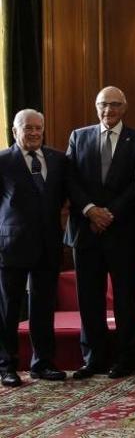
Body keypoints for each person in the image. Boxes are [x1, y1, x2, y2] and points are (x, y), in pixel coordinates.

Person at [65, 87, 135, 379]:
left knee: (125, 298)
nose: (107, 110)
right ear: (96, 107)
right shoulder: (79, 136)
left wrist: (110, 213)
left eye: (113, 105)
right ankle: (93, 357)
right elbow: (70, 178)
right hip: (86, 231)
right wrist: (90, 210)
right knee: (89, 298)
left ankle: (127, 357)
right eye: (102, 105)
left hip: (122, 230)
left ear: (124, 107)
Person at [0, 109, 68, 387]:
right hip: (11, 246)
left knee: (42, 307)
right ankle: (6, 366)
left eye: (38, 128)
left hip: (48, 245)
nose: (34, 133)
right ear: (15, 131)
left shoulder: (58, 159)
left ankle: (43, 363)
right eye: (27, 128)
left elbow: (64, 198)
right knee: (8, 309)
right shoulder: (3, 161)